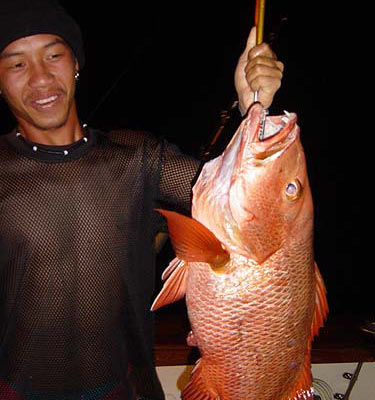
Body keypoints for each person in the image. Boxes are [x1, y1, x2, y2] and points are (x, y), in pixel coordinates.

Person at [0, 1, 284, 399]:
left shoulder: (137, 158)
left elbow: (234, 199)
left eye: (53, 56)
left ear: (76, 64)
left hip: (124, 388)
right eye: (16, 64)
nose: (41, 78)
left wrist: (252, 108)